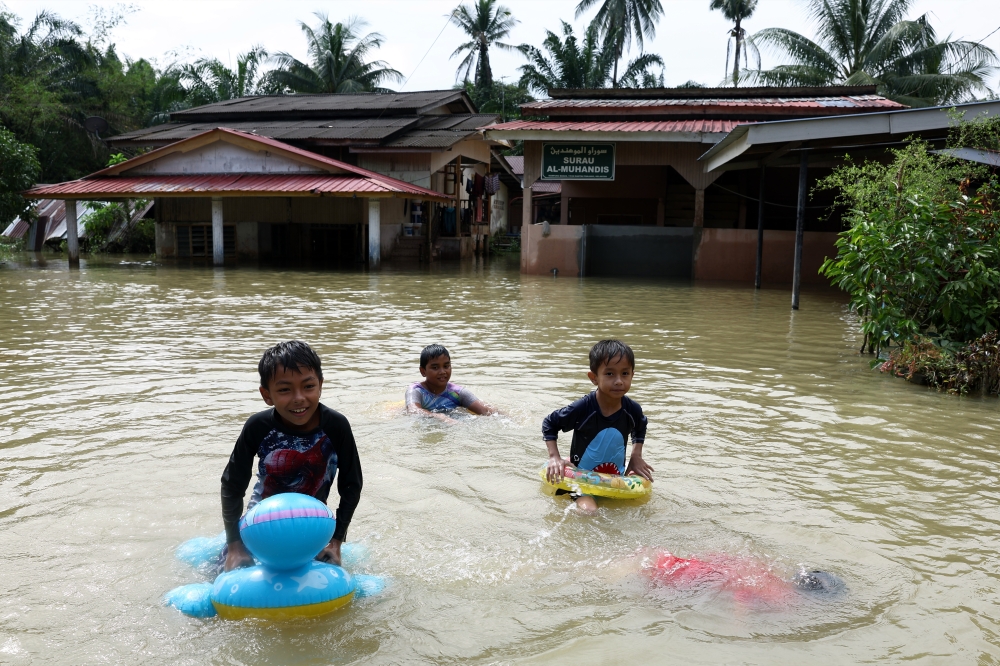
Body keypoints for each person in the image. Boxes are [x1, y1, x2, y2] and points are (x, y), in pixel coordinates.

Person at [220, 340, 362, 572]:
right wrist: (235, 545)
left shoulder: (337, 426)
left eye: (308, 386)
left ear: (320, 386)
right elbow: (232, 485)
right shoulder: (258, 426)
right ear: (267, 395)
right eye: (285, 390)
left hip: (312, 522)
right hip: (261, 522)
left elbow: (351, 484)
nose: (298, 398)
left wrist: (336, 542)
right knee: (223, 573)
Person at [542, 339, 653, 513]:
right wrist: (554, 456)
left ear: (632, 375)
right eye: (610, 374)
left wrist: (636, 456)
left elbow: (640, 426)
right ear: (594, 378)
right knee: (589, 512)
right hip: (582, 482)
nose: (618, 381)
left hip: (615, 480)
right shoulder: (583, 408)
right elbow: (550, 423)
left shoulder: (632, 409)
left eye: (625, 373)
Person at [405, 344, 497, 422]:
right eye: (435, 367)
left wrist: (507, 418)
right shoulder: (416, 390)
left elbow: (487, 411)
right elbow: (413, 411)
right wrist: (440, 417)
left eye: (446, 366)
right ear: (423, 371)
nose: (442, 371)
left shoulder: (457, 393)